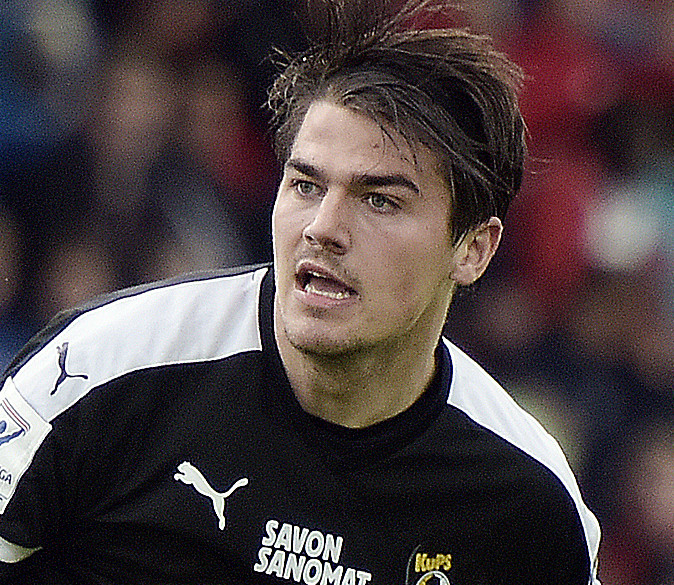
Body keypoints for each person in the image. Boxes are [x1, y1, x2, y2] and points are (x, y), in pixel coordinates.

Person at [0, 1, 601, 583]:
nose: (322, 228)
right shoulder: (96, 374)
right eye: (306, 185)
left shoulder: (528, 499)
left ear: (473, 249)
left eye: (379, 200)